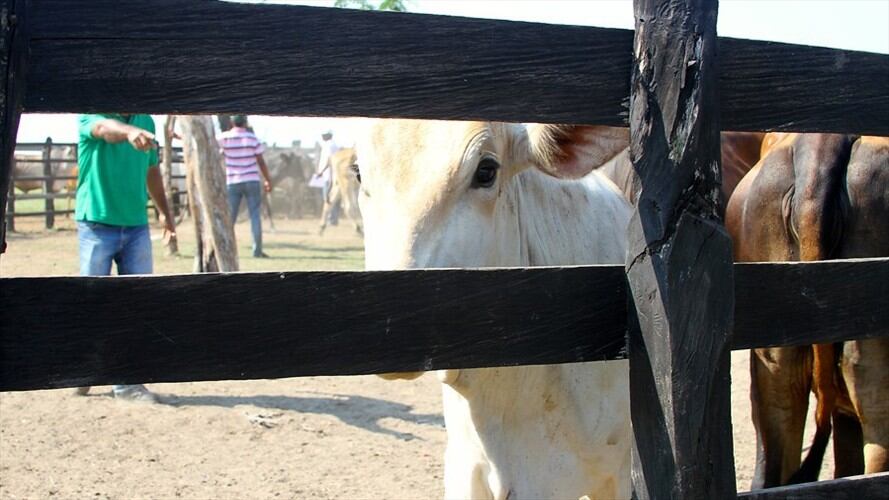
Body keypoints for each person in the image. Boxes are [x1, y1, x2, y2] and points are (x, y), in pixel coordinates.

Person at [74, 114, 176, 404]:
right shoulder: (92, 112)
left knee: (138, 304)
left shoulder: (147, 121)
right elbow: (104, 130)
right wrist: (130, 132)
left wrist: (164, 212)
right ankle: (86, 369)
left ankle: (128, 383)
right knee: (92, 302)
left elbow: (151, 170)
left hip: (136, 226)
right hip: (96, 223)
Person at [218, 115, 273, 258]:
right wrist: (268, 180)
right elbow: (261, 161)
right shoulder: (252, 138)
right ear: (245, 122)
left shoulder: (224, 138)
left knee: (230, 217)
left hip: (233, 181)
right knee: (255, 215)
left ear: (232, 122)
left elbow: (212, 147)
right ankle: (257, 250)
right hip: (251, 180)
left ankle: (226, 248)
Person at [316, 130, 341, 235]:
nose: (322, 137)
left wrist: (321, 172)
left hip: (329, 175)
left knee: (328, 198)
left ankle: (331, 219)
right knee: (333, 198)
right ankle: (333, 219)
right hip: (330, 175)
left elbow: (330, 161)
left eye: (324, 135)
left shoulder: (329, 146)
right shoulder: (333, 145)